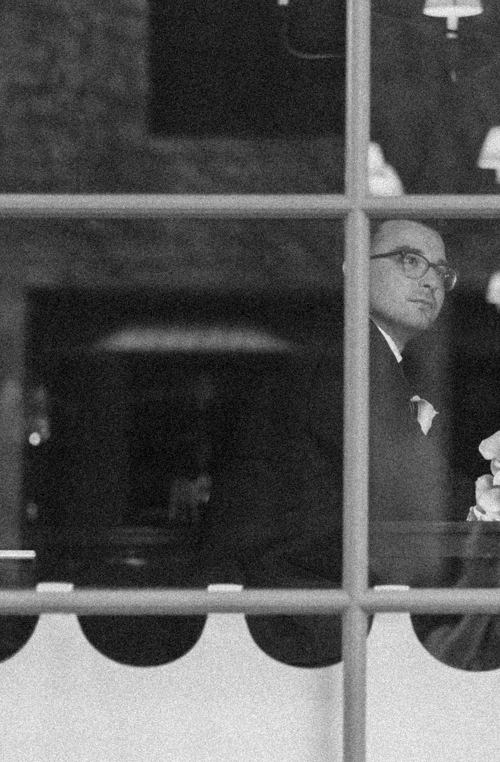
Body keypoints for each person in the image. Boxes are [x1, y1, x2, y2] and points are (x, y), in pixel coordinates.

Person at [195, 219, 473, 666]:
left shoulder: (366, 357)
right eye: (409, 261)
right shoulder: (345, 360)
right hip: (288, 617)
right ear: (355, 271)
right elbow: (411, 490)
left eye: (441, 272)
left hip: (309, 604)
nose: (430, 282)